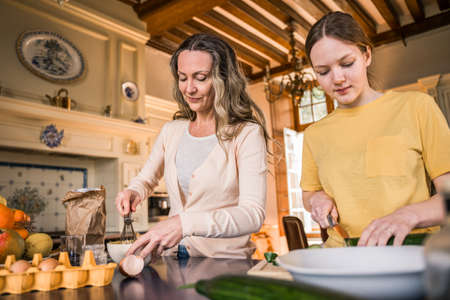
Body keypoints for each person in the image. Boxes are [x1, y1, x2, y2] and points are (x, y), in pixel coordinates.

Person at [301, 12, 450, 247]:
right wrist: (316, 200)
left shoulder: (417, 107)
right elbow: (309, 194)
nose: (337, 78)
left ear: (366, 55)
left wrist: (408, 215)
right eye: (323, 71)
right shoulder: (313, 135)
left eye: (347, 63)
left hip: (407, 252)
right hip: (342, 256)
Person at [115, 33, 269, 259]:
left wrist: (185, 223)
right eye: (183, 77)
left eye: (200, 77)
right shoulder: (172, 131)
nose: (189, 88)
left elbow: (252, 215)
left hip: (224, 264)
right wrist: (133, 191)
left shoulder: (245, 134)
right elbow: (146, 179)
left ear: (223, 79)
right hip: (173, 259)